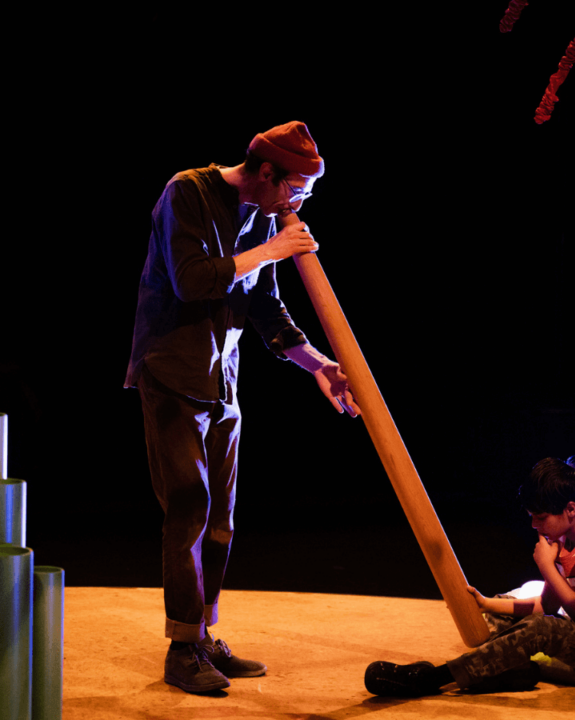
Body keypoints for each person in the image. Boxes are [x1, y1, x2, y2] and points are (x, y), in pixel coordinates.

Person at [125, 121, 361, 694]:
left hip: (220, 380)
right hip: (171, 372)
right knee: (188, 508)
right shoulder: (186, 191)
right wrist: (274, 247)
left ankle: (203, 636)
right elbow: (190, 281)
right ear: (264, 172)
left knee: (222, 521)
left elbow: (265, 307)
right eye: (296, 189)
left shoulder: (260, 218)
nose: (299, 203)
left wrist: (318, 366)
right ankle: (181, 649)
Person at [364, 458, 575, 697]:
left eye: (540, 517)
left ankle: (434, 678)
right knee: (501, 612)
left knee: (542, 629)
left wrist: (547, 568)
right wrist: (486, 604)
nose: (533, 525)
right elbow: (547, 606)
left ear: (570, 509)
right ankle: (514, 673)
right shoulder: (566, 539)